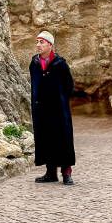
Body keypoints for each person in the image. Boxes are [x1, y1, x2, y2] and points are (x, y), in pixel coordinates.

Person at [29, 30, 76, 185]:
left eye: (42, 42)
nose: (38, 45)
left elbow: (69, 86)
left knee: (63, 139)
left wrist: (61, 100)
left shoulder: (60, 64)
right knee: (45, 138)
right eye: (37, 42)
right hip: (41, 110)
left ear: (50, 44)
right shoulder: (34, 63)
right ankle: (51, 173)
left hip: (58, 110)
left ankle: (66, 173)